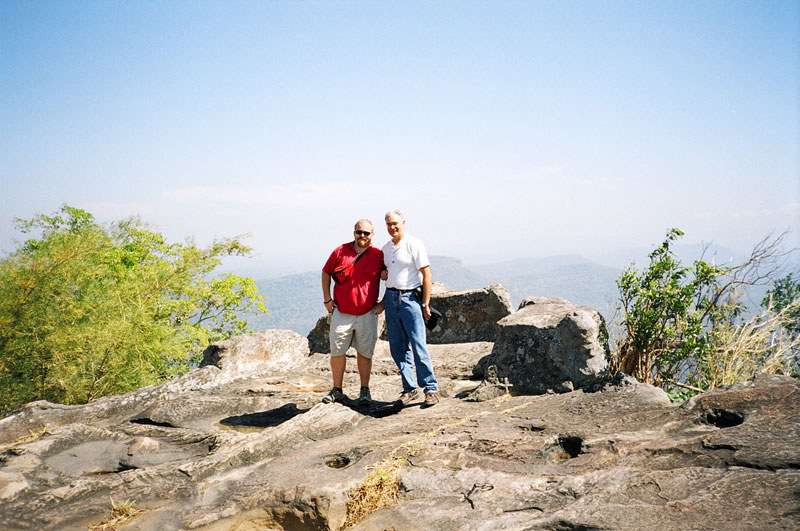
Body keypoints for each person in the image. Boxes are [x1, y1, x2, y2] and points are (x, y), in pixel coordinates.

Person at [321, 219, 385, 407]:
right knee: (337, 351)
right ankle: (337, 389)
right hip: (342, 311)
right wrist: (327, 299)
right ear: (354, 233)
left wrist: (383, 304)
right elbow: (326, 272)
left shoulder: (378, 255)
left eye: (366, 233)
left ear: (372, 235)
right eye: (359, 232)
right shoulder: (340, 251)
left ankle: (364, 390)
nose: (362, 236)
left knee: (365, 352)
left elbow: (393, 278)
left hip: (367, 312)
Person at [381, 210, 440, 407]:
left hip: (409, 298)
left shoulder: (414, 244)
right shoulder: (386, 249)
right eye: (389, 224)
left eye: (395, 223)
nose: (392, 227)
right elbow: (387, 275)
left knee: (418, 344)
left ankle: (430, 388)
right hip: (391, 298)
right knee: (398, 347)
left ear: (403, 222)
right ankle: (409, 388)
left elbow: (427, 274)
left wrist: (425, 304)